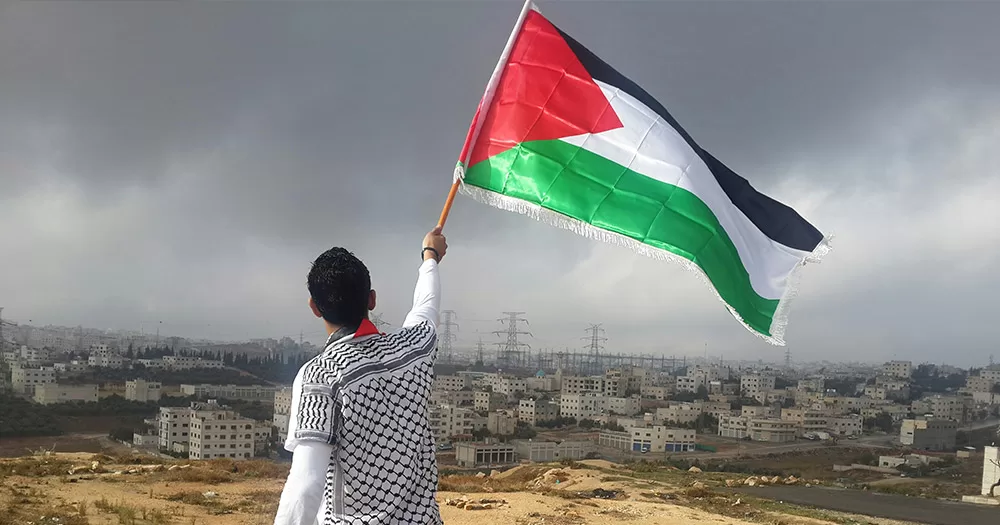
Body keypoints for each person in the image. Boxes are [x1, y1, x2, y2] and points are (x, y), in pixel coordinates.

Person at [273, 227, 447, 525]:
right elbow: (426, 306)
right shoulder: (414, 350)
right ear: (372, 300)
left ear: (314, 308)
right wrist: (429, 256)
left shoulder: (321, 375)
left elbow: (305, 486)